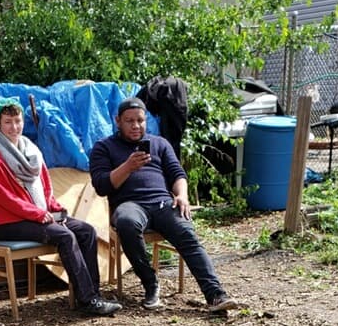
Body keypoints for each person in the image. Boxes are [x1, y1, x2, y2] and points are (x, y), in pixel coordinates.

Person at [89, 97, 239, 313]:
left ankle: (215, 294)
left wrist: (182, 195)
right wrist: (128, 167)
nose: (135, 125)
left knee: (186, 232)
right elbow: (102, 185)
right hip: (129, 204)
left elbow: (178, 174)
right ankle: (151, 284)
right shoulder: (104, 147)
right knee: (127, 223)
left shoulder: (160, 144)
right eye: (129, 121)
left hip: (162, 203)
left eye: (140, 120)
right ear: (117, 121)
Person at [0, 98, 121, 317]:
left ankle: (94, 293)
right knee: (65, 236)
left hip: (38, 214)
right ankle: (88, 300)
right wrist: (38, 213)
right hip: (10, 222)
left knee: (86, 231)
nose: (14, 127)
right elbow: (3, 196)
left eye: (17, 121)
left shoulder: (31, 149)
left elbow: (45, 187)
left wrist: (54, 208)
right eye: (7, 122)